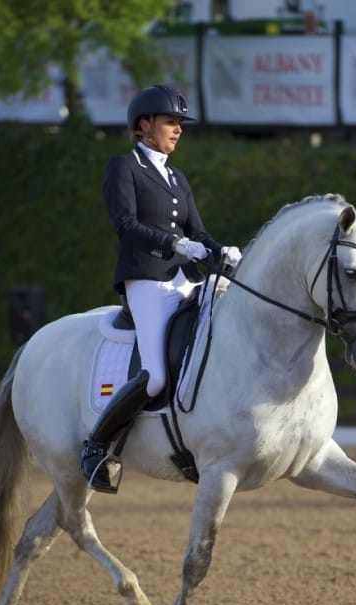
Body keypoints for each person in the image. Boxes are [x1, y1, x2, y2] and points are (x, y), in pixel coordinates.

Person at [80, 84, 241, 492]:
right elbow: (126, 226)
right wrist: (173, 244)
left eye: (180, 123)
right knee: (153, 377)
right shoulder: (124, 168)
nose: (178, 129)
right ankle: (98, 447)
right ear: (144, 126)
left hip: (186, 279)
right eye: (171, 121)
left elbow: (198, 232)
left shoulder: (176, 176)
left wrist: (226, 253)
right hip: (147, 280)